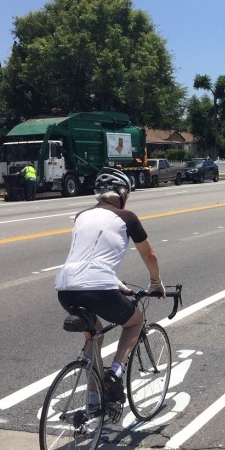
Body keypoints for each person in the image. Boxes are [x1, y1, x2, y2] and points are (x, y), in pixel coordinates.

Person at [54, 167, 165, 407]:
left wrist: (115, 282)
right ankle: (114, 372)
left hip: (65, 287)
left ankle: (93, 401)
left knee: (94, 336)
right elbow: (150, 255)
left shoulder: (81, 215)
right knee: (135, 321)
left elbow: (89, 255)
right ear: (123, 193)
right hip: (99, 287)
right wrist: (155, 282)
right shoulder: (127, 217)